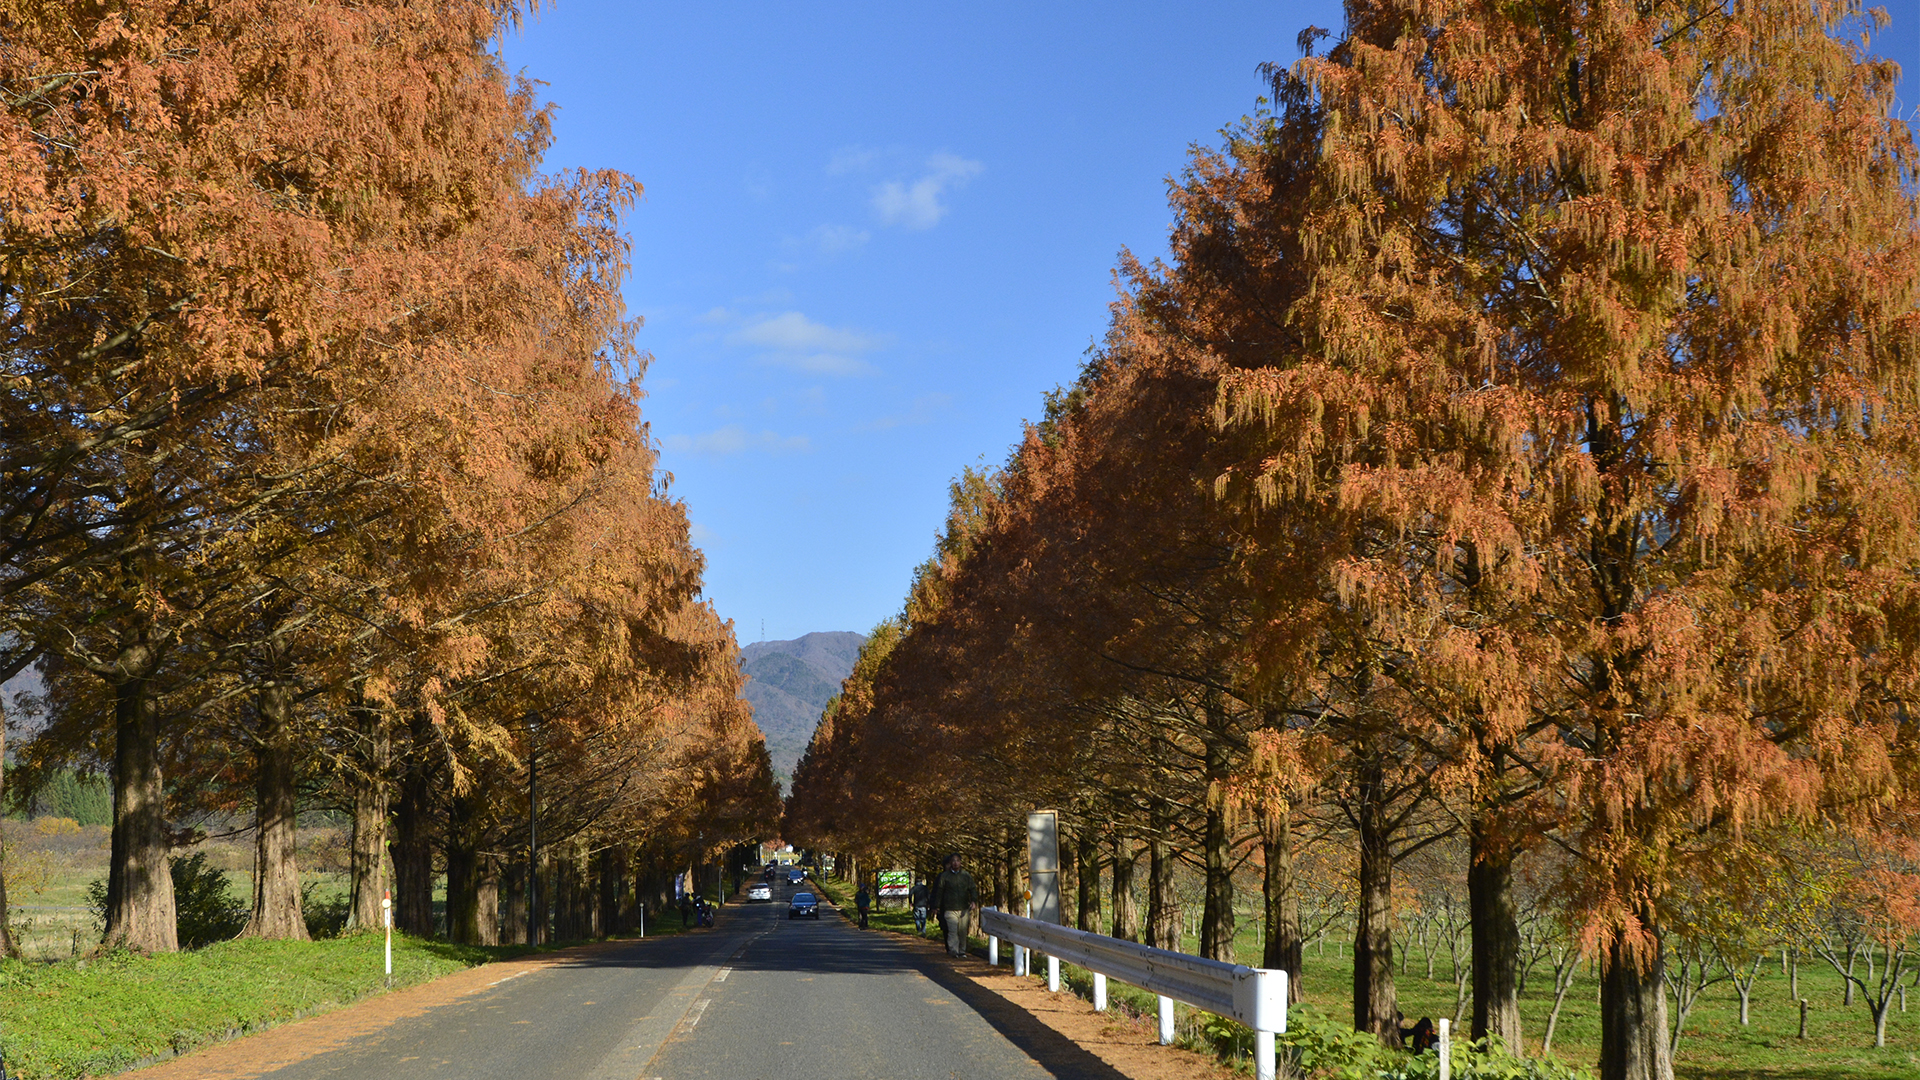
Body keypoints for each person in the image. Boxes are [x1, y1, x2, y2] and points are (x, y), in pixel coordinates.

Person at [932, 852, 978, 958]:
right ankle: (953, 950)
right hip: (950, 908)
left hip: (963, 908)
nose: (955, 863)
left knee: (962, 931)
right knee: (952, 931)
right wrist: (936, 906)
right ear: (950, 863)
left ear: (961, 862)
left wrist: (973, 901)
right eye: (953, 861)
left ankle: (962, 951)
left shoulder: (966, 876)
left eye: (957, 861)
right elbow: (939, 892)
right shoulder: (945, 876)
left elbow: (972, 889)